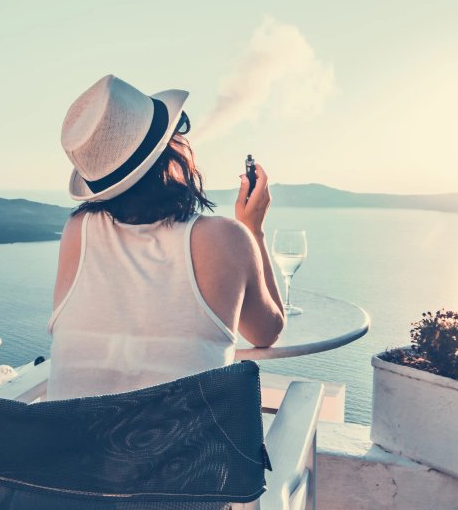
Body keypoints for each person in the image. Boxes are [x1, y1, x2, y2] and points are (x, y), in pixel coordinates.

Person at [47, 75, 286, 400]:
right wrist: (253, 229)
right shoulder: (225, 238)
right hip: (185, 451)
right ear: (169, 151)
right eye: (180, 129)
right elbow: (267, 332)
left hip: (75, 448)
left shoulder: (77, 233)